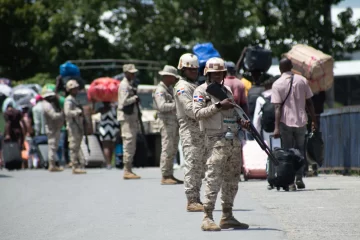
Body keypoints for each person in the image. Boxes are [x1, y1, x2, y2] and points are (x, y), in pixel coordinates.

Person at [193, 57, 250, 231]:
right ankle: (207, 216)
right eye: (214, 73)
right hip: (214, 140)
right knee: (213, 177)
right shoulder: (201, 91)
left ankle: (227, 215)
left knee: (232, 179)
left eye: (220, 73)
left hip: (232, 139)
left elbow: (232, 113)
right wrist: (218, 105)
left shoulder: (227, 90)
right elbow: (197, 113)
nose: (217, 76)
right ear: (207, 74)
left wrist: (241, 122)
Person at [272, 58, 317, 191]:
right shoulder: (302, 80)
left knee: (287, 151)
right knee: (300, 149)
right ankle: (299, 177)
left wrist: (276, 128)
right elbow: (309, 103)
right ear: (291, 67)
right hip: (301, 121)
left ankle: (290, 181)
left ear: (280, 69)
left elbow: (277, 108)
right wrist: (314, 120)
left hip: (285, 122)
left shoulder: (277, 84)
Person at [174, 53, 206, 212]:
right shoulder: (182, 87)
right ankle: (192, 200)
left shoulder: (195, 85)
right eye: (190, 70)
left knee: (199, 166)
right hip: (190, 130)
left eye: (195, 69)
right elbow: (189, 110)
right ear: (183, 70)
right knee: (193, 164)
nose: (194, 72)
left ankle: (196, 197)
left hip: (200, 130)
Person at [153, 65, 183, 185]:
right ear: (168, 77)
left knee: (172, 148)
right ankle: (165, 175)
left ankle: (170, 174)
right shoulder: (160, 90)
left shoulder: (168, 89)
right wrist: (177, 105)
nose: (174, 80)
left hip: (172, 122)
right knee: (167, 148)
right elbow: (161, 106)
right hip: (166, 123)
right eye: (173, 77)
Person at [117, 64, 141, 179]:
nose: (133, 74)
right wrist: (134, 98)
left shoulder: (129, 84)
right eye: (131, 73)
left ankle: (129, 168)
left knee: (131, 143)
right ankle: (127, 169)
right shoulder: (124, 85)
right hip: (126, 118)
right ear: (126, 73)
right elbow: (123, 101)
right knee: (128, 142)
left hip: (131, 118)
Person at [64, 80, 87, 174]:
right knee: (74, 146)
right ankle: (74, 165)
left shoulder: (74, 99)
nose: (77, 90)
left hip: (77, 126)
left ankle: (79, 164)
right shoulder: (69, 100)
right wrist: (78, 112)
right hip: (73, 126)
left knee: (77, 146)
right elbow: (67, 112)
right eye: (74, 89)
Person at [252, 75, 279, 144]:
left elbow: (257, 119)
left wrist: (256, 135)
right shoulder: (280, 96)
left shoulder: (261, 99)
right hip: (280, 128)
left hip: (268, 130)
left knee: (270, 147)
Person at [42, 89, 64, 172]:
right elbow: (53, 116)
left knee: (54, 146)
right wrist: (61, 114)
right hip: (52, 128)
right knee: (52, 146)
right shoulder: (47, 105)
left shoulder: (48, 104)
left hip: (54, 127)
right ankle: (52, 165)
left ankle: (53, 164)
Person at [96, 102, 119, 169]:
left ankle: (108, 163)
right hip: (112, 128)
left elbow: (93, 112)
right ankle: (110, 162)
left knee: (106, 146)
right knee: (110, 146)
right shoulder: (113, 109)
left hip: (104, 129)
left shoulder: (102, 109)